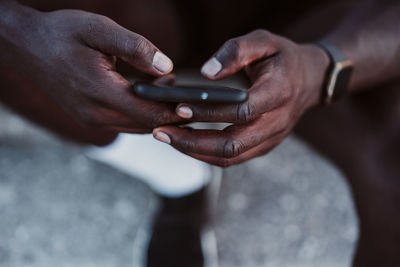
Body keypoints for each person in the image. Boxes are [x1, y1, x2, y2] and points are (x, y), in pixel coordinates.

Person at [0, 0, 399, 266]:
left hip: (329, 17)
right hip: (137, 10)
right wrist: (15, 30)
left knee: (387, 176)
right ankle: (177, 177)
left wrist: (326, 66)